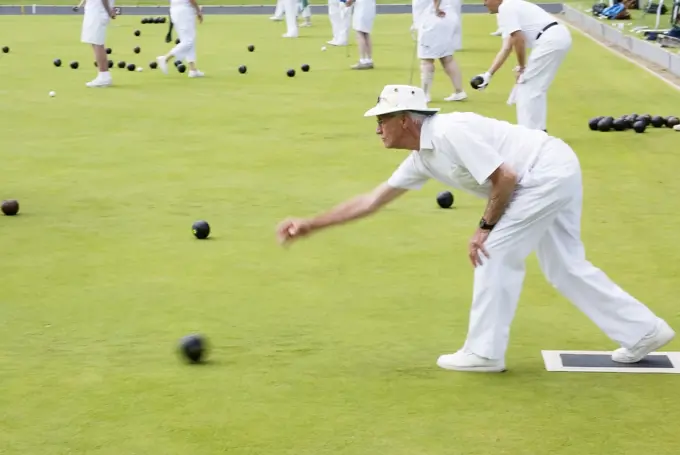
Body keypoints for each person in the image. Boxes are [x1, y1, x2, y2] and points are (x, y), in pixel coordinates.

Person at [276, 84, 676, 373]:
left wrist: (484, 228)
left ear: (404, 120)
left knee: (495, 251)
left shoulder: (450, 131)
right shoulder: (421, 158)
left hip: (545, 172)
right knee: (564, 265)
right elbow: (371, 201)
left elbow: (506, 177)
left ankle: (485, 352)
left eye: (382, 120)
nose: (377, 129)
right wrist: (311, 224)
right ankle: (644, 330)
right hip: (550, 170)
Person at [472, 0, 572, 131]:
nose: (484, 4)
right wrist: (488, 74)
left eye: (486, 0)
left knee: (527, 86)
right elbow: (507, 47)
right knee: (535, 88)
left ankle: (528, 132)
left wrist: (522, 67)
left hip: (550, 40)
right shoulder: (508, 8)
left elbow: (519, 39)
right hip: (557, 37)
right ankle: (538, 130)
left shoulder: (506, 8)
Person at [411, 0, 467, 102]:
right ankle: (459, 91)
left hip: (435, 18)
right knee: (447, 58)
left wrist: (436, 8)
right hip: (447, 16)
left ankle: (424, 94)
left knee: (426, 60)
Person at [156, 0, 204, 78]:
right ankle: (165, 58)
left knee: (189, 39)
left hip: (175, 9)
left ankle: (193, 70)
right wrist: (198, 11)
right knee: (188, 41)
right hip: (184, 10)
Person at [80, 0, 117, 87]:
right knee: (95, 42)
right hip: (95, 9)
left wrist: (109, 11)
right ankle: (103, 75)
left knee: (97, 43)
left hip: (98, 11)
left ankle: (104, 76)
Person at [345, 0, 376, 69]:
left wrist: (349, 1)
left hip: (362, 7)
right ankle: (369, 59)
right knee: (366, 33)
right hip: (370, 7)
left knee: (360, 33)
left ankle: (363, 60)